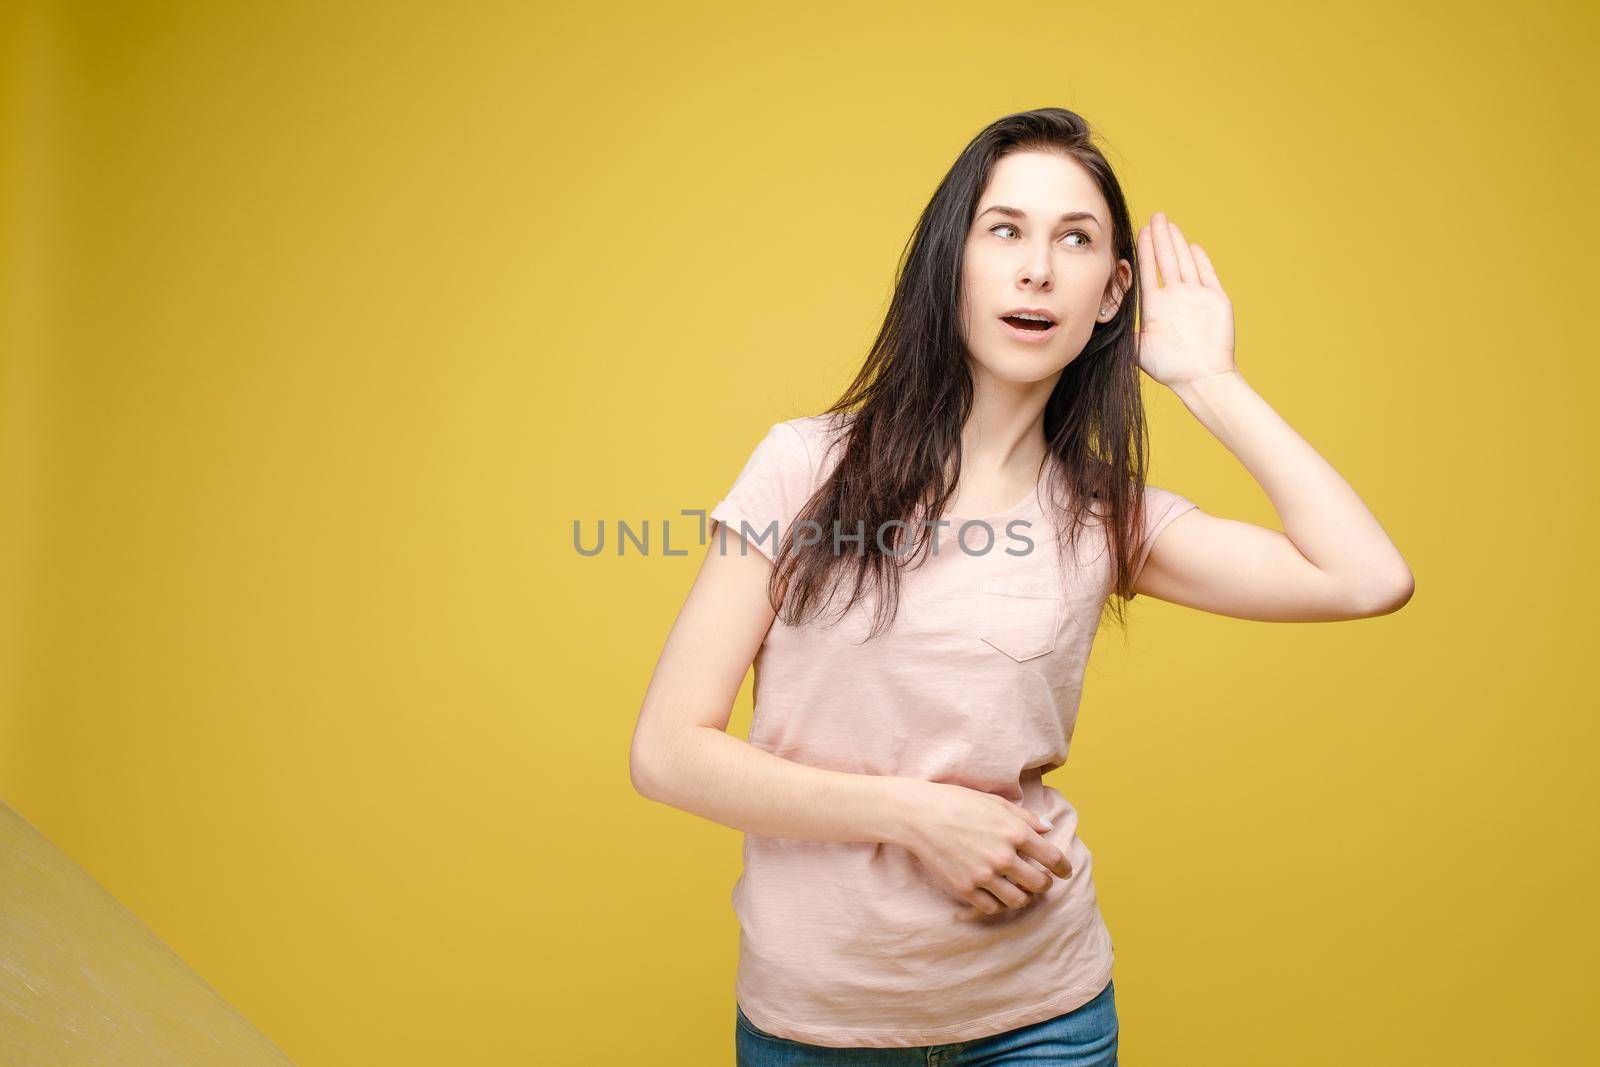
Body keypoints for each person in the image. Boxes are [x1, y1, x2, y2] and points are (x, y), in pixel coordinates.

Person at [628, 107, 1414, 1065]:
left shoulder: (1106, 516)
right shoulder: (805, 469)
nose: (1037, 268)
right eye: (1005, 231)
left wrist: (1208, 378)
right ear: (952, 260)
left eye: (1075, 240)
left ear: (1113, 290)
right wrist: (918, 816)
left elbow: (1367, 578)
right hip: (817, 1027)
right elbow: (667, 751)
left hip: (1046, 1019)